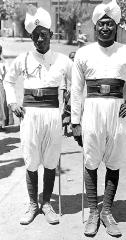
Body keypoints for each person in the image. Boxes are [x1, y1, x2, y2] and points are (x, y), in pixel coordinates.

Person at [71, 0, 126, 237]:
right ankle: (93, 212)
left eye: (110, 23)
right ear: (95, 27)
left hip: (116, 115)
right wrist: (75, 122)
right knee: (90, 161)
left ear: (116, 26)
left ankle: (107, 211)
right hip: (91, 115)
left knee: (113, 162)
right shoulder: (83, 53)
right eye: (101, 24)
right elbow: (76, 90)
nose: (105, 28)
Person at [4, 6, 72, 225]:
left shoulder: (62, 60)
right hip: (30, 115)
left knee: (51, 161)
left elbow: (78, 82)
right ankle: (33, 204)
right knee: (31, 161)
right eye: (35, 35)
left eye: (43, 34)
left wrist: (71, 109)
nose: (39, 39)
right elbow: (8, 80)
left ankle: (46, 204)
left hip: (52, 115)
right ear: (30, 36)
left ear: (51, 34)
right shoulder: (23, 58)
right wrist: (12, 102)